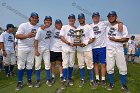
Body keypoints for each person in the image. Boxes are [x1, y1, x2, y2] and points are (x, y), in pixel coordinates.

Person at [90, 12, 123, 86]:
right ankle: (97, 79)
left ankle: (103, 79)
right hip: (93, 47)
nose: (96, 17)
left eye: (97, 16)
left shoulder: (103, 23)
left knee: (103, 64)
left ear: (99, 17)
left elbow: (114, 21)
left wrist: (120, 23)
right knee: (95, 64)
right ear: (92, 18)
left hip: (102, 47)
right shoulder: (90, 26)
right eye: (94, 16)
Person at [106, 11, 130, 93]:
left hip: (119, 49)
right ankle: (111, 83)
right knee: (109, 67)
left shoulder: (122, 26)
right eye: (109, 16)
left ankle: (123, 85)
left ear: (116, 16)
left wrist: (115, 40)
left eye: (113, 16)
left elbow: (126, 38)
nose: (111, 17)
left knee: (122, 67)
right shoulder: (107, 26)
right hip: (109, 49)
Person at [15, 12, 39, 90]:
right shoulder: (23, 25)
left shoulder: (38, 28)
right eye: (33, 17)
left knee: (30, 65)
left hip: (31, 48)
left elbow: (37, 39)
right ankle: (19, 82)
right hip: (22, 47)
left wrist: (36, 49)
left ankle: (29, 80)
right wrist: (26, 35)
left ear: (37, 19)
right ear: (30, 18)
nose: (34, 19)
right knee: (21, 65)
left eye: (36, 18)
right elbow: (17, 36)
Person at [76, 13, 96, 89]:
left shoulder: (88, 27)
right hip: (80, 49)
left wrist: (86, 43)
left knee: (90, 65)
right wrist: (78, 43)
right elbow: (77, 39)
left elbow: (93, 38)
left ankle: (91, 80)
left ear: (84, 18)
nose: (81, 19)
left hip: (87, 49)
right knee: (81, 65)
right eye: (79, 18)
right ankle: (82, 79)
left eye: (82, 18)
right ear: (78, 19)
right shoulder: (77, 28)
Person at [34, 16, 54, 88]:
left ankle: (48, 79)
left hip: (46, 49)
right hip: (39, 49)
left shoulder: (52, 28)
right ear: (44, 21)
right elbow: (36, 40)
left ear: (51, 22)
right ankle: (38, 80)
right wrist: (36, 50)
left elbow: (59, 27)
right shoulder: (40, 29)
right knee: (37, 65)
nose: (48, 21)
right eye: (46, 20)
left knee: (47, 64)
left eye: (49, 20)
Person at [59, 14, 76, 90]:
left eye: (73, 18)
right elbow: (61, 37)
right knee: (65, 64)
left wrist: (76, 43)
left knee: (71, 64)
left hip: (72, 49)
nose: (71, 20)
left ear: (74, 20)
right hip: (65, 48)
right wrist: (68, 42)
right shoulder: (64, 27)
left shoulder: (76, 29)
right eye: (70, 18)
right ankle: (64, 80)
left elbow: (77, 39)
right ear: (68, 19)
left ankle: (69, 78)